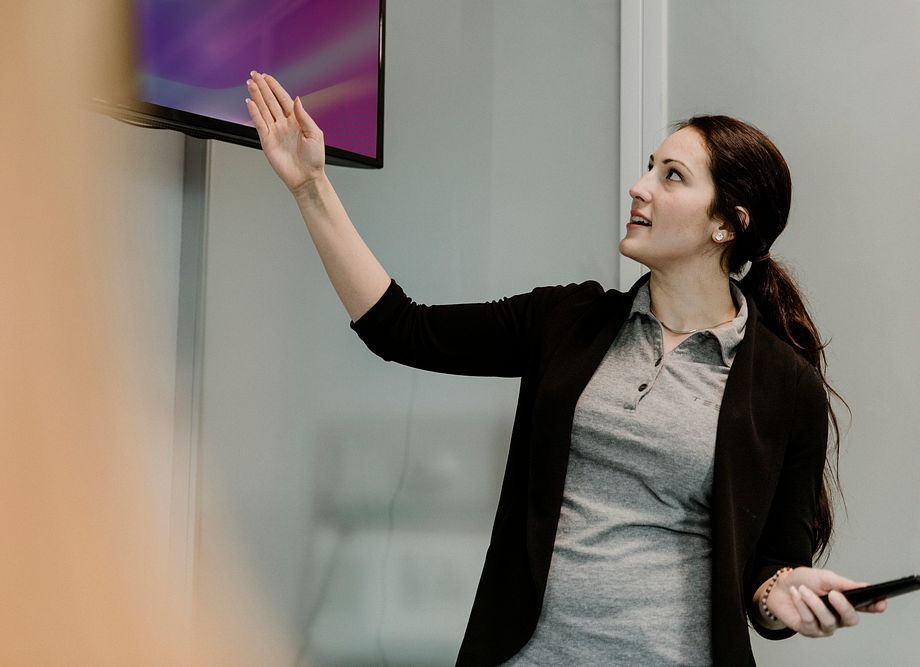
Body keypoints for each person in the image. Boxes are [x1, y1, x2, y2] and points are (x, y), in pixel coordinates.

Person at [243, 72, 887, 666]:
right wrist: (311, 187)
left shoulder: (785, 386)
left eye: (672, 177)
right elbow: (401, 330)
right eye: (648, 169)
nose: (640, 187)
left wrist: (793, 592)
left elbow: (765, 586)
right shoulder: (568, 322)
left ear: (727, 223)